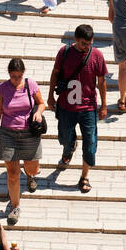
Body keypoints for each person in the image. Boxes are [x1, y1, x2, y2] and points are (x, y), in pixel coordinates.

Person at [48, 24, 108, 193]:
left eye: (89, 43)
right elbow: (55, 72)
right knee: (64, 138)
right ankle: (69, 147)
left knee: (90, 143)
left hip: (88, 108)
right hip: (66, 106)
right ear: (76, 39)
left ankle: (84, 176)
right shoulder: (65, 52)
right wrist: (50, 96)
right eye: (83, 44)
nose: (86, 47)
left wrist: (103, 105)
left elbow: (102, 81)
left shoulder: (97, 55)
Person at [0, 56, 46, 225]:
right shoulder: (2, 89)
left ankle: (30, 176)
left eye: (19, 76)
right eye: (13, 76)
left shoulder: (31, 85)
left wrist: (38, 112)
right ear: (9, 74)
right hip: (8, 134)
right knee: (13, 173)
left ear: (23, 74)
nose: (16, 80)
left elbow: (42, 103)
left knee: (32, 167)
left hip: (29, 133)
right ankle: (15, 207)